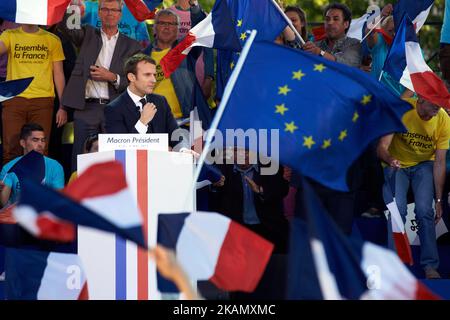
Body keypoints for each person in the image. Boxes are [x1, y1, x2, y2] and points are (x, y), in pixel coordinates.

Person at [58, 0, 142, 171]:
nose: (109, 13)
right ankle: (79, 194)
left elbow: (137, 81)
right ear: (98, 13)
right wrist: (73, 5)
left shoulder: (132, 46)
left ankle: (114, 195)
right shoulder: (88, 34)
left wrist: (112, 77)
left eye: (114, 10)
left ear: (120, 14)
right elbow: (69, 28)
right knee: (81, 158)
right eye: (105, 9)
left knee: (115, 158)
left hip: (115, 109)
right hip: (87, 108)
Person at [377, 96, 450, 279]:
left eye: (440, 104)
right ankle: (394, 264)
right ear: (421, 100)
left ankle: (430, 266)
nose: (438, 107)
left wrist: (439, 200)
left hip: (424, 164)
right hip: (396, 163)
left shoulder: (443, 119)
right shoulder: (402, 109)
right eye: (434, 103)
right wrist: (389, 159)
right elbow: (382, 147)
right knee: (398, 210)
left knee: (425, 210)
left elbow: (440, 162)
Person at [0, 23, 67, 164]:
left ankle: (36, 186)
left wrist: (63, 106)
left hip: (43, 101)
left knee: (40, 149)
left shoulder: (52, 39)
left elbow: (59, 74)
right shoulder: (9, 35)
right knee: (11, 148)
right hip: (14, 99)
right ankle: (9, 185)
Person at [143, 9, 212, 129]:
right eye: (162, 23)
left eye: (171, 24)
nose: (166, 27)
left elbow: (200, 30)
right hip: (152, 124)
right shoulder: (142, 56)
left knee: (188, 148)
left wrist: (194, 7)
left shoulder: (186, 50)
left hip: (185, 123)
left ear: (177, 28)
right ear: (154, 27)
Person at [104, 53, 187, 151]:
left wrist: (183, 149)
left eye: (154, 75)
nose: (154, 80)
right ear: (132, 77)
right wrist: (142, 122)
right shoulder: (114, 109)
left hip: (163, 163)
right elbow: (120, 150)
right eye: (147, 75)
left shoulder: (161, 101)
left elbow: (175, 133)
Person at [0, 123, 65, 207]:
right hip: (17, 215)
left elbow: (58, 199)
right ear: (23, 143)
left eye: (43, 140)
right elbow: (3, 202)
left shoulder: (55, 166)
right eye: (35, 140)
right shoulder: (8, 168)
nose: (40, 144)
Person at [303, 3, 361, 68]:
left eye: (335, 19)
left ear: (346, 24)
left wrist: (320, 53)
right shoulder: (316, 45)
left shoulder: (354, 44)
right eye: (327, 19)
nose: (330, 22)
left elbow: (347, 65)